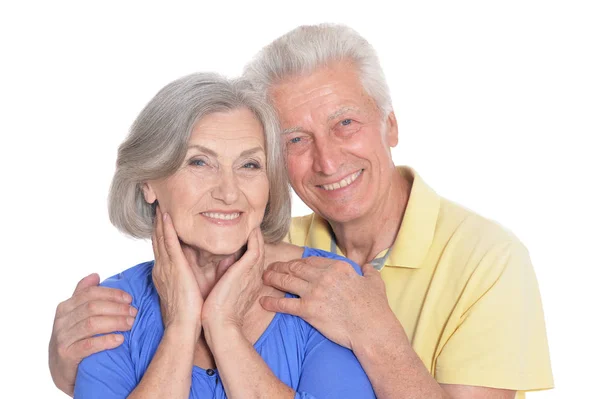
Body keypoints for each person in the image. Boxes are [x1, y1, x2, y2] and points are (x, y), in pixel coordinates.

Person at [50, 24, 553, 398]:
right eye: (296, 138)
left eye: (346, 123)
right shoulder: (251, 242)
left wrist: (372, 330)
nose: (328, 159)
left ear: (391, 126)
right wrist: (64, 360)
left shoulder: (490, 260)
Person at [70, 72, 376, 398]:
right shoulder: (111, 305)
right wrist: (180, 328)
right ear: (148, 182)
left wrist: (223, 327)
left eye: (249, 165)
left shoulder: (328, 286)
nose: (229, 193)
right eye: (200, 162)